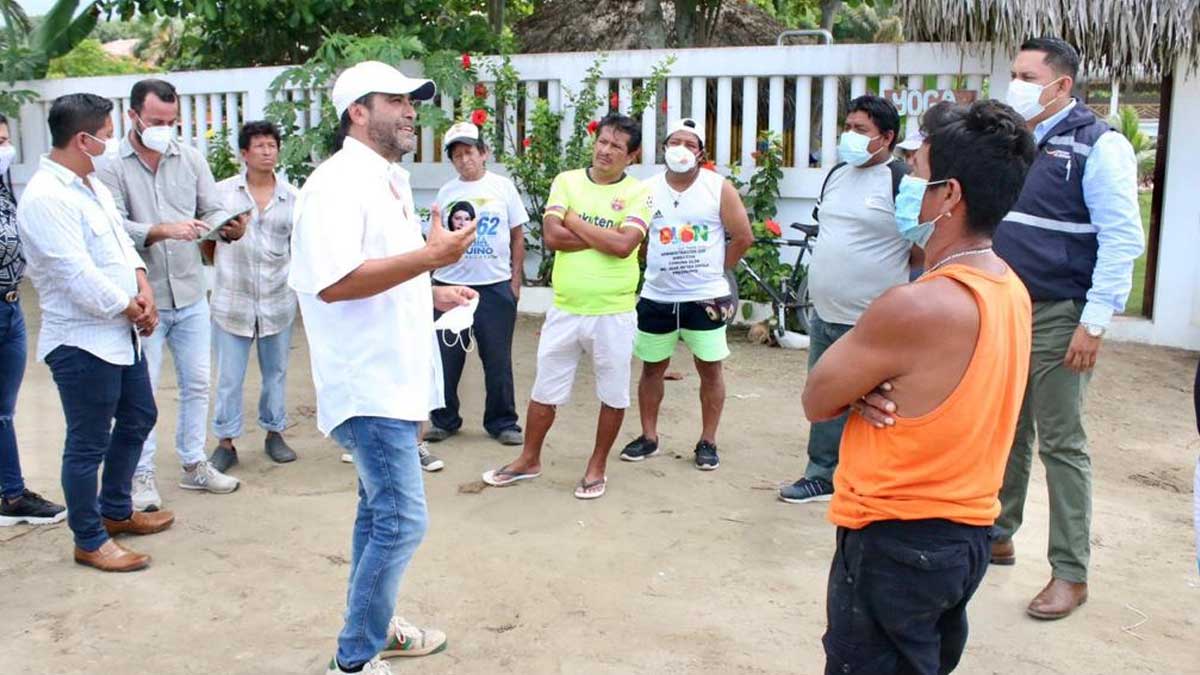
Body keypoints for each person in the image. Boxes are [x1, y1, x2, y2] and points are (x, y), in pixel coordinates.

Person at [803, 99, 1035, 674]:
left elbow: (817, 397)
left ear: (950, 195)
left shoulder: (917, 305)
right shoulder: (1009, 287)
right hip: (965, 533)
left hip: (898, 536)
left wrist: (860, 383)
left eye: (919, 173)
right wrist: (867, 383)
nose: (908, 184)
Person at [288, 61, 477, 675]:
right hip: (365, 381)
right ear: (357, 112)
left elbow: (381, 273)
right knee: (401, 521)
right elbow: (335, 282)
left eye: (412, 100)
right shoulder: (337, 183)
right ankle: (355, 658)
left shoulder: (387, 180)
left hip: (394, 378)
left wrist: (432, 290)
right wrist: (432, 255)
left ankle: (376, 628)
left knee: (377, 516)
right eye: (394, 99)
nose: (409, 109)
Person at [992, 37, 1145, 620]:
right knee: (1008, 427)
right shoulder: (1019, 138)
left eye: (1027, 75)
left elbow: (1122, 239)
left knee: (1061, 441)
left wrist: (1095, 322)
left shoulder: (1099, 145)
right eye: (1014, 73)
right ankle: (998, 534)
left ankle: (1071, 573)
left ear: (1062, 85)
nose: (1017, 84)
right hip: (1012, 307)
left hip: (1062, 310)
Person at [17, 93, 174, 571]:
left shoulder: (91, 186)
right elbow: (74, 274)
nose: (111, 142)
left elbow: (123, 247)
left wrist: (143, 285)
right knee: (88, 443)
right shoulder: (45, 197)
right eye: (106, 136)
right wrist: (130, 306)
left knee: (138, 417)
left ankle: (115, 510)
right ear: (82, 139)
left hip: (121, 334)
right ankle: (89, 539)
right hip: (82, 342)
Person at [482, 114, 651, 500]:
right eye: (602, 141)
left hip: (613, 312)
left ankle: (597, 466)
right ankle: (529, 459)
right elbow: (553, 237)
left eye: (616, 147)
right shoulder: (567, 181)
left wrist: (575, 220)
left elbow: (627, 246)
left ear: (632, 156)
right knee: (545, 389)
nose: (605, 150)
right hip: (566, 308)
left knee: (612, 394)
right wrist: (606, 235)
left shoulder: (639, 193)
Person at [97, 78, 245, 511]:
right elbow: (112, 227)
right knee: (141, 394)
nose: (165, 128)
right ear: (133, 117)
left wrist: (229, 223)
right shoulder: (109, 166)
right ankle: (140, 474)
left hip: (191, 292)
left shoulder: (190, 158)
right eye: (156, 121)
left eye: (172, 121)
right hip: (144, 300)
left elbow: (212, 206)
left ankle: (193, 463)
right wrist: (160, 231)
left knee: (198, 383)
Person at [779, 95, 916, 504]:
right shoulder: (837, 174)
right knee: (826, 395)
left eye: (860, 130)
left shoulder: (903, 181)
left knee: (879, 403)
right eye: (848, 127)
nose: (849, 137)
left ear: (886, 138)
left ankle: (876, 481)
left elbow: (920, 250)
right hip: (824, 313)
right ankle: (822, 475)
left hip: (873, 320)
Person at [618, 118, 752, 470]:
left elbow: (743, 236)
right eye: (674, 142)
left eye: (689, 144)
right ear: (663, 148)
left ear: (701, 152)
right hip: (657, 297)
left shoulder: (717, 187)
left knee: (710, 370)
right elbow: (637, 239)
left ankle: (708, 441)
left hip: (705, 299)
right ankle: (649, 436)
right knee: (651, 369)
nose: (680, 149)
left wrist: (716, 270)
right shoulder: (645, 189)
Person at [424, 121, 527, 449]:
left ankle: (502, 422)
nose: (464, 160)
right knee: (445, 357)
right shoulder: (447, 193)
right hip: (450, 285)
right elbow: (435, 237)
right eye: (457, 155)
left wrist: (514, 281)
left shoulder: (502, 187)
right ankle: (444, 420)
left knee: (497, 358)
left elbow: (517, 235)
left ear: (484, 153)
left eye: (469, 152)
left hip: (494, 287)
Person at [203, 120, 299, 472]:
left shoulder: (292, 198)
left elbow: (296, 248)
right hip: (233, 301)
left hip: (277, 299)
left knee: (276, 372)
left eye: (272, 145)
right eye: (259, 145)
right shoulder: (221, 194)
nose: (266, 151)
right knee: (230, 375)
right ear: (244, 153)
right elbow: (207, 244)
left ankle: (275, 433)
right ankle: (225, 442)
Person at [0, 114, 69, 526]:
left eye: (5, 139)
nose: (3, 147)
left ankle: (10, 494)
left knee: (4, 411)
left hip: (10, 308)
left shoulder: (6, 192)